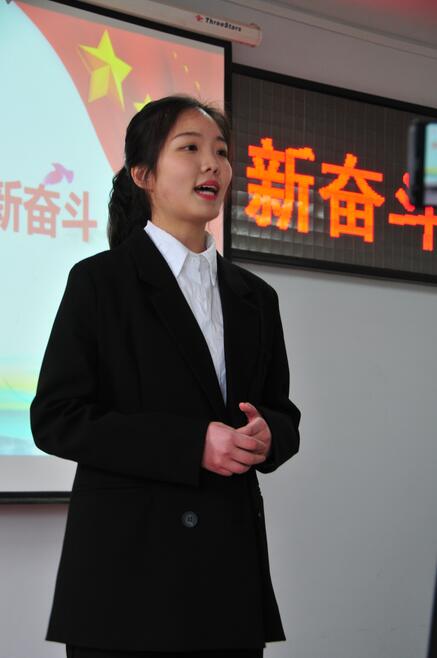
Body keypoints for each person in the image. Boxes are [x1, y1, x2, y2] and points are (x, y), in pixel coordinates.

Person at [30, 94, 301, 658]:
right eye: (190, 148)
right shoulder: (100, 282)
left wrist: (268, 435)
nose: (212, 165)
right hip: (130, 579)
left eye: (221, 152)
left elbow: (282, 412)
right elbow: (57, 419)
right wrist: (191, 444)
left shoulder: (256, 297)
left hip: (228, 579)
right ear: (143, 175)